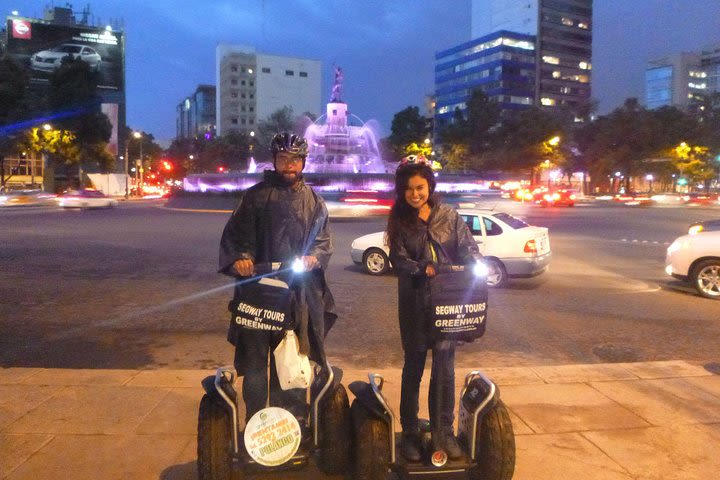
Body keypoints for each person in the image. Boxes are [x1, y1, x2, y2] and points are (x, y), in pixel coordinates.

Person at [218, 132, 337, 424]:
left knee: (292, 362)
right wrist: (242, 258)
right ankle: (257, 423)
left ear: (303, 162)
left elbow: (322, 241)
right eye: (283, 159)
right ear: (274, 160)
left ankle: (291, 422)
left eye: (295, 159)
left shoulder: (314, 202)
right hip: (258, 293)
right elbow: (236, 235)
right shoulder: (255, 196)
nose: (289, 165)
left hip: (296, 295)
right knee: (256, 364)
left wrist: (315, 258)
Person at [386, 157, 481, 461]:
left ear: (430, 186)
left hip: (447, 303)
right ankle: (411, 435)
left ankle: (444, 432)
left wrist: (472, 260)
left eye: (420, 187)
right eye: (409, 189)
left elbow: (467, 246)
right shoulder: (399, 221)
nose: (415, 194)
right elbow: (398, 261)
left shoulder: (449, 216)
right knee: (413, 369)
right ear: (401, 191)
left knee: (445, 369)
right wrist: (422, 268)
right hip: (415, 304)